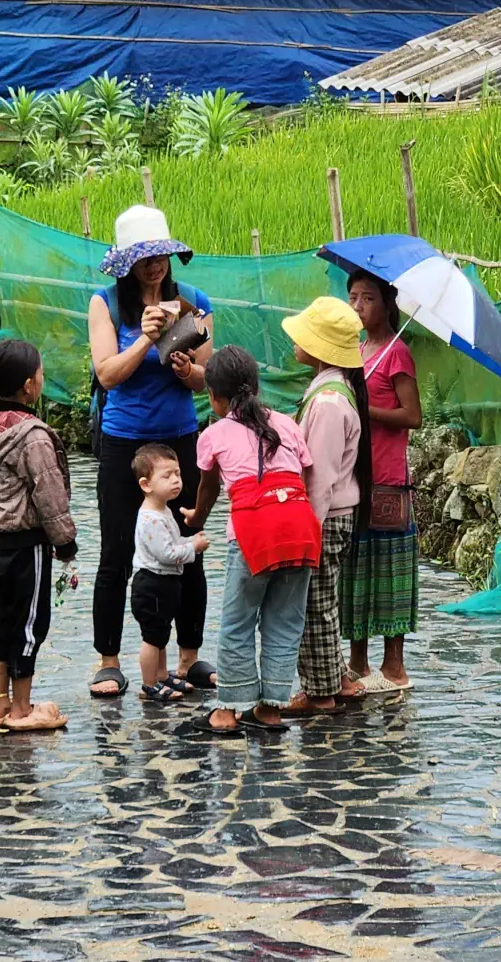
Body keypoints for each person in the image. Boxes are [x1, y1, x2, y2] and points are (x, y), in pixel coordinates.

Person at [86, 205, 216, 699]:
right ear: (125, 263)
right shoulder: (105, 304)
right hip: (125, 442)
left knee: (189, 543)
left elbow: (209, 381)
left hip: (180, 438)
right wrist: (146, 338)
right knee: (118, 550)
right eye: (145, 258)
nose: (156, 265)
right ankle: (109, 660)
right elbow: (107, 374)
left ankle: (188, 659)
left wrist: (187, 370)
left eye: (161, 255)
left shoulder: (196, 301)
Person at [184, 345, 321, 735]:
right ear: (257, 387)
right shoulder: (288, 424)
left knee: (238, 621)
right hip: (299, 526)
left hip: (253, 533)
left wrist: (196, 518)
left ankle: (229, 710)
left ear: (213, 396)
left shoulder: (213, 434)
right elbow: (305, 475)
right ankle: (271, 709)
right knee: (285, 621)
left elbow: (208, 490)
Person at [0, 339, 77, 732]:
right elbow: (49, 492)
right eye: (41, 373)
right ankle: (21, 709)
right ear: (30, 385)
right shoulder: (32, 435)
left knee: (0, 622)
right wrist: (64, 541)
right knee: (30, 625)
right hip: (25, 541)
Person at [277, 298, 372, 715]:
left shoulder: (329, 404)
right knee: (323, 601)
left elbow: (320, 477)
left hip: (325, 517)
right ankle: (334, 677)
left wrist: (305, 531)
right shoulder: (330, 392)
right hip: (333, 515)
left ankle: (319, 692)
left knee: (313, 606)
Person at [345, 270, 422, 693]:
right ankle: (358, 662)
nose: (358, 306)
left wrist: (366, 412)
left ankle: (394, 667)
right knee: (357, 567)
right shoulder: (359, 349)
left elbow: (412, 416)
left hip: (388, 479)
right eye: (353, 297)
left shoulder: (398, 353)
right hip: (358, 474)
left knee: (390, 571)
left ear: (387, 303)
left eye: (368, 298)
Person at [130, 443, 211, 702]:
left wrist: (187, 542)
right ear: (146, 484)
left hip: (166, 583)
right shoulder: (151, 518)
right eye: (166, 476)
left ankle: (163, 675)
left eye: (177, 473)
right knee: (152, 638)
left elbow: (171, 546)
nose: (176, 480)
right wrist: (193, 547)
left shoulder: (163, 510)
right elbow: (166, 554)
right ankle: (148, 683)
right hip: (152, 583)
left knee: (162, 632)